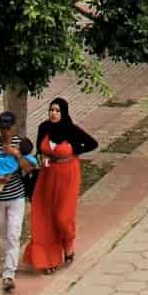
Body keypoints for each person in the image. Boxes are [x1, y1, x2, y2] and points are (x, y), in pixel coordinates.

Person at [25, 98, 97, 273]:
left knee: (62, 217)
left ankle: (68, 244)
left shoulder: (70, 130)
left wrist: (74, 150)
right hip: (47, 176)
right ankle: (48, 259)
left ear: (63, 112)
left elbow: (92, 144)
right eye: (51, 110)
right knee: (44, 216)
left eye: (57, 111)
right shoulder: (44, 128)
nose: (53, 113)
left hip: (68, 175)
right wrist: (41, 160)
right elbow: (39, 149)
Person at [0, 110, 37, 292]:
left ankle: (9, 274)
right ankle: (7, 263)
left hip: (16, 197)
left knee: (14, 234)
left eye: (8, 128)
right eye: (2, 128)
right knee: (4, 234)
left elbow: (29, 169)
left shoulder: (21, 144)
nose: (5, 132)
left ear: (13, 128)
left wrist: (16, 155)